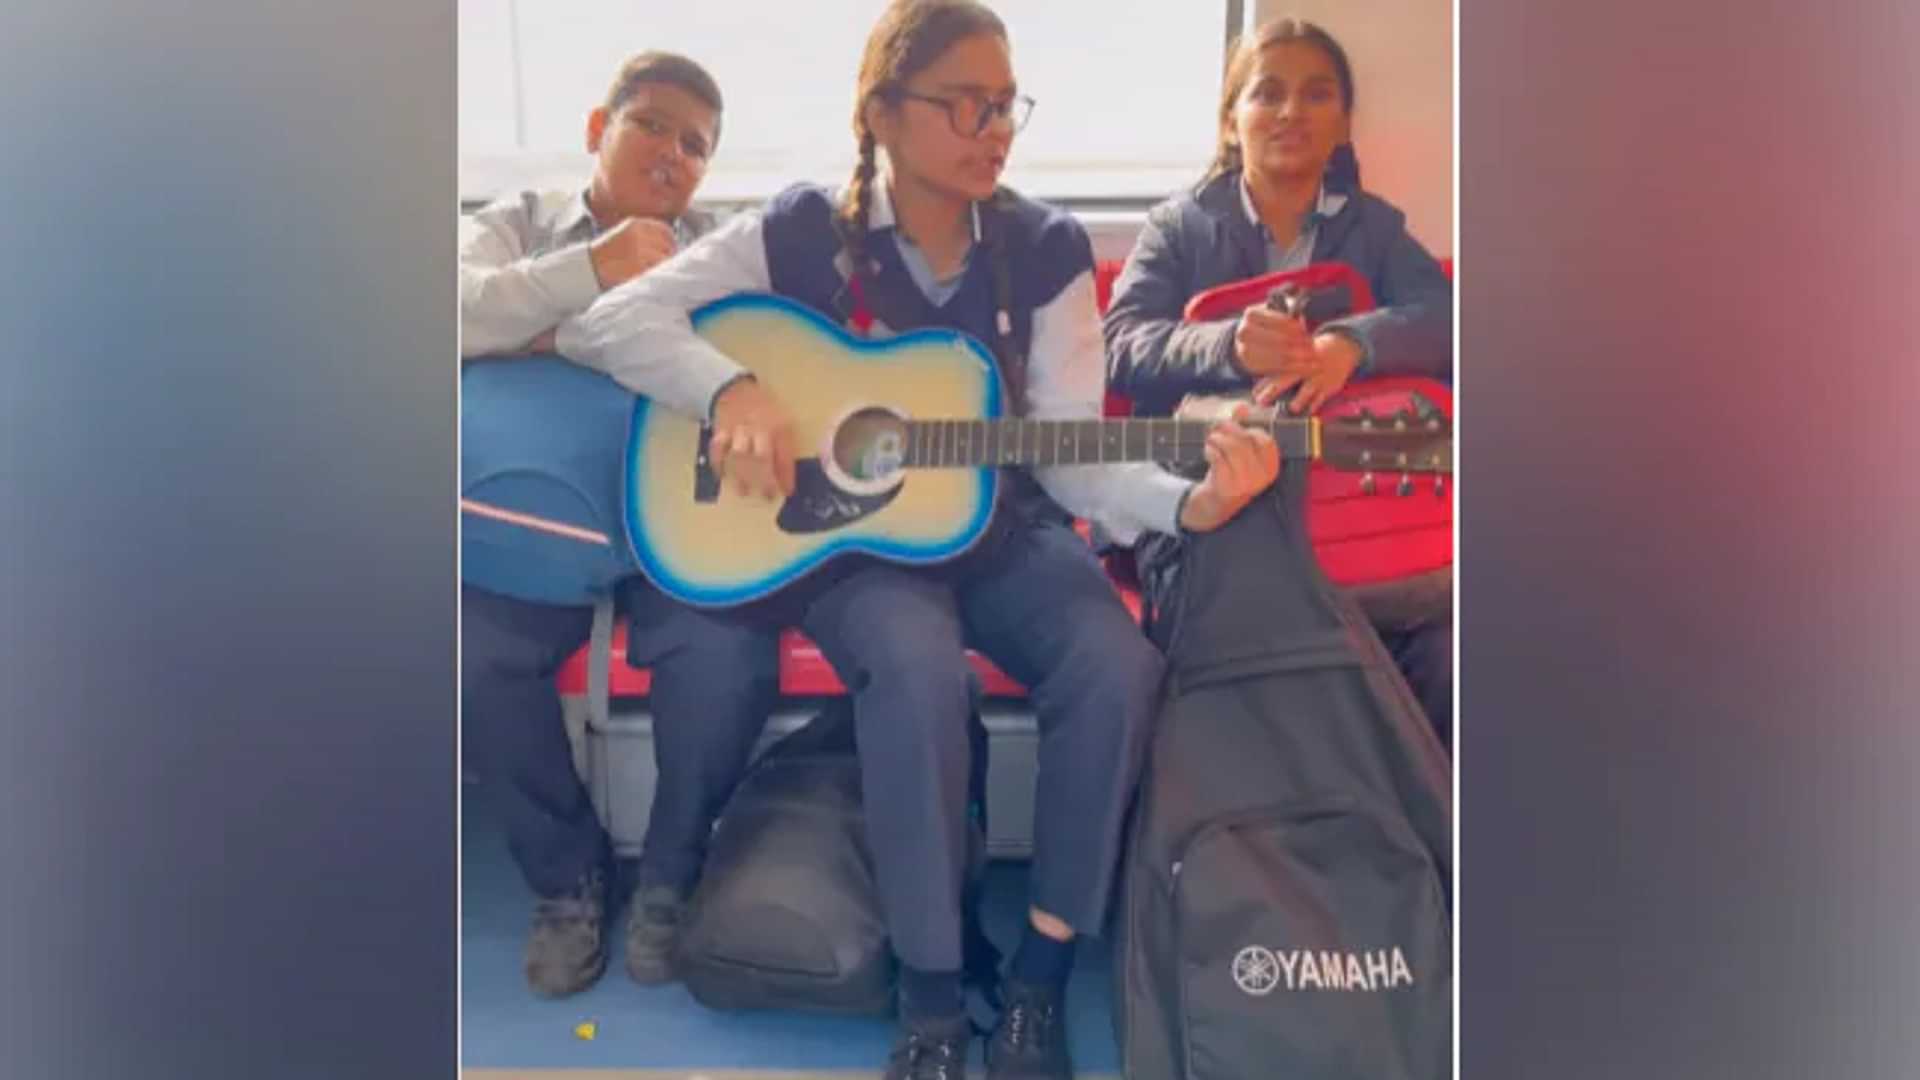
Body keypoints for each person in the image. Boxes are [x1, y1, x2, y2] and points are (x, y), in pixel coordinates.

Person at [556, 4, 1279, 1076]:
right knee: (910, 664)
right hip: (857, 545)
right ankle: (933, 1004)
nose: (996, 129)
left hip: (1005, 527)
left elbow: (1070, 452)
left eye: (1007, 105)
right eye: (966, 104)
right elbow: (602, 325)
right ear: (884, 112)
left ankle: (1037, 980)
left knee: (1117, 668)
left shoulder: (1044, 248)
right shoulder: (802, 228)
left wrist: (1188, 505)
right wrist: (731, 388)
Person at [459, 51, 781, 998]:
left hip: (668, 509)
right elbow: (448, 312)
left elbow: (747, 358)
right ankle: (567, 877)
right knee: (469, 656)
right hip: (530, 510)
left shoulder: (719, 246)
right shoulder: (513, 225)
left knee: (729, 654)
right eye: (653, 126)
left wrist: (547, 336)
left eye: (697, 146)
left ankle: (674, 873)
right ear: (598, 129)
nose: (674, 156)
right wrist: (593, 269)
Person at [1101, 16, 1455, 745]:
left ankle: (1434, 847)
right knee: (1265, 626)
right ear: (1233, 121)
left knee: (1458, 656)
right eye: (1268, 94)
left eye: (1316, 95)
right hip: (1221, 509)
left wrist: (1353, 345)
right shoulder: (1179, 228)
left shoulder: (1375, 229)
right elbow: (1124, 345)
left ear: (1343, 123)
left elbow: (1450, 319)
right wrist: (1228, 345)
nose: (1292, 112)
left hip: (1357, 518)